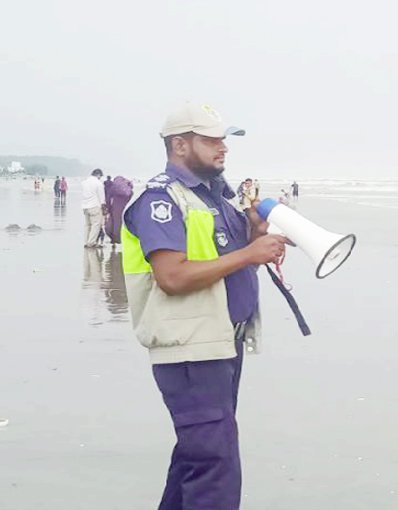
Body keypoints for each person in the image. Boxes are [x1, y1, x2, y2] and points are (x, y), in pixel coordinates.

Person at [121, 103, 286, 510]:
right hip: (189, 349)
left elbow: (222, 255)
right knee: (216, 466)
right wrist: (250, 256)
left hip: (219, 344)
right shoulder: (161, 199)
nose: (223, 148)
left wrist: (255, 236)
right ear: (179, 145)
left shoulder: (211, 198)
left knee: (197, 457)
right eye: (211, 140)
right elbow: (172, 276)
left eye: (224, 139)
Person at [104, 176, 133, 245]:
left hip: (115, 208)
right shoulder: (128, 188)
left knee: (113, 223)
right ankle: (121, 239)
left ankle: (114, 239)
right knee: (122, 224)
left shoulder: (113, 187)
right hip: (125, 208)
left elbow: (108, 198)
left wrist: (108, 207)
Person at [81, 168, 106, 248]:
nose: (100, 178)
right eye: (100, 176)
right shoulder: (98, 183)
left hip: (85, 206)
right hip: (95, 206)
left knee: (87, 225)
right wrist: (104, 207)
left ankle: (86, 241)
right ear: (98, 175)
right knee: (96, 225)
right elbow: (102, 197)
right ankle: (91, 242)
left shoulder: (84, 182)